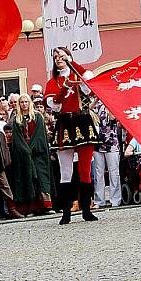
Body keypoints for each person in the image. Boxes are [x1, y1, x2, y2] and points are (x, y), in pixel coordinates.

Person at [45, 47, 99, 224]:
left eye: (62, 56)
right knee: (65, 171)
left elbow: (89, 86)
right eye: (55, 57)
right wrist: (64, 88)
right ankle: (66, 211)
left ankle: (86, 209)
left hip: (82, 121)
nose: (58, 59)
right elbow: (55, 105)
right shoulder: (52, 82)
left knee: (85, 169)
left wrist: (72, 63)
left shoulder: (79, 75)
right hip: (65, 123)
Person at [8, 94, 52, 215]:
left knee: (41, 178)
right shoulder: (17, 119)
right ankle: (32, 207)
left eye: (26, 102)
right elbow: (17, 139)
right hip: (24, 156)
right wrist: (26, 150)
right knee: (28, 179)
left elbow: (40, 135)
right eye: (21, 102)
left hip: (38, 154)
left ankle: (45, 206)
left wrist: (32, 148)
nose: (24, 104)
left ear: (30, 103)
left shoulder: (37, 117)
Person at [92, 99, 122, 208]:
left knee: (113, 172)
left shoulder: (113, 104)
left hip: (111, 142)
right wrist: (96, 100)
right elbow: (88, 112)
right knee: (98, 173)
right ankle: (99, 200)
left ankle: (115, 200)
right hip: (97, 142)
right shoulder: (96, 105)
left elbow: (114, 118)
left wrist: (107, 103)